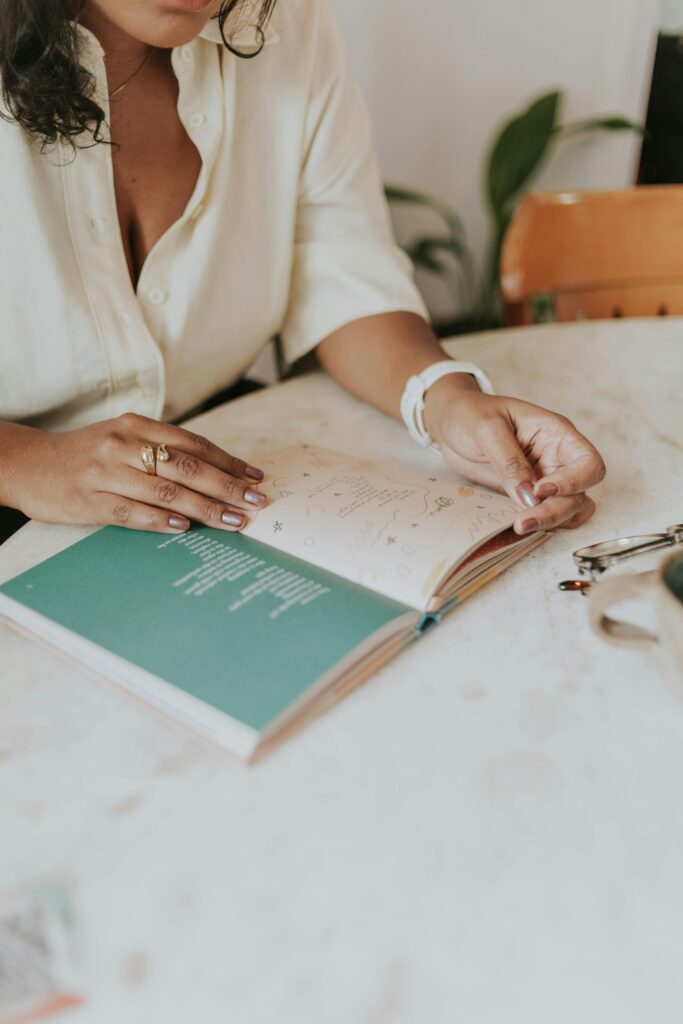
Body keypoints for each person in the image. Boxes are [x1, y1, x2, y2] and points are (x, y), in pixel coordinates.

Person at [0, 0, 604, 544]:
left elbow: (336, 263)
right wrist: (29, 463)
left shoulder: (283, 21)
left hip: (218, 450)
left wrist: (448, 401)